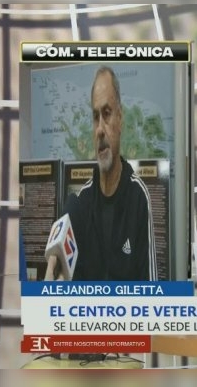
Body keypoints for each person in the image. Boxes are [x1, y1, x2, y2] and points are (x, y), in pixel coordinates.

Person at [45, 66, 157, 281]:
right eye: (96, 117)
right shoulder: (81, 203)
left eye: (107, 114)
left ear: (120, 119)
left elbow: (151, 290)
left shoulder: (138, 197)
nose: (100, 129)